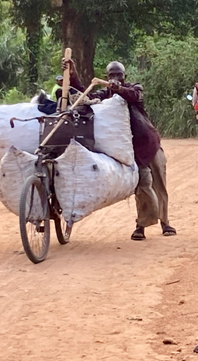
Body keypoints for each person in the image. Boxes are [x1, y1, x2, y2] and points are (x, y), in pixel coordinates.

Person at [63, 57, 176, 240]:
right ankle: (141, 225)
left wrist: (119, 89)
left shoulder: (134, 88)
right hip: (131, 151)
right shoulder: (104, 95)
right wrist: (73, 76)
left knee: (160, 185)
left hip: (149, 143)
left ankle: (165, 222)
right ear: (106, 77)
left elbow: (133, 96)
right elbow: (87, 97)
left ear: (125, 76)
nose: (115, 78)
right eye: (112, 75)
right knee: (141, 186)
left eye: (119, 75)